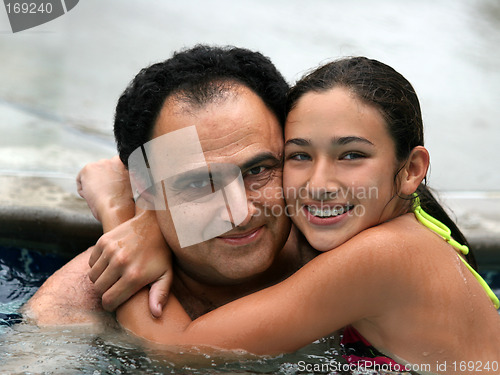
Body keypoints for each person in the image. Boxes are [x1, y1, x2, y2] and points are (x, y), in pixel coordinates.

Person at [111, 57, 500, 375]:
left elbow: (178, 352)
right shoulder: (409, 231)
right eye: (299, 155)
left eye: (351, 155)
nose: (318, 184)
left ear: (412, 169)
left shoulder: (382, 255)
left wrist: (120, 217)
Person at [23, 45, 316, 325]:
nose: (238, 212)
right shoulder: (69, 309)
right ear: (146, 188)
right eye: (200, 183)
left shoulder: (333, 248)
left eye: (257, 170)